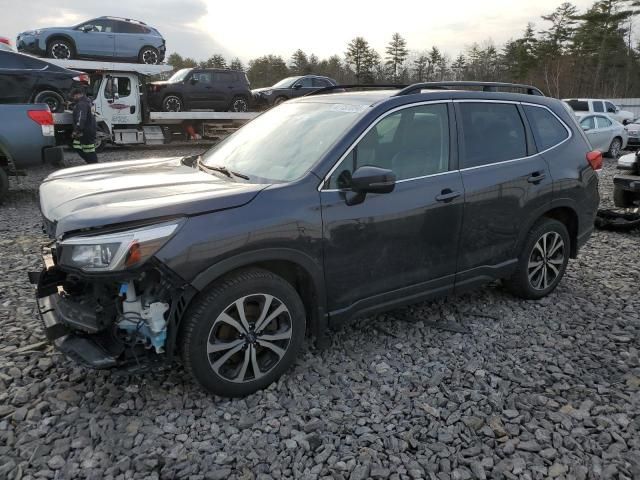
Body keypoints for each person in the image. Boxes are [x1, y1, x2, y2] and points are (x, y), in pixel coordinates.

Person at [70, 87, 98, 164]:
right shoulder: (86, 102)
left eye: (74, 96)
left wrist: (77, 130)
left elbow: (81, 118)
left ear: (78, 94)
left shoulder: (82, 104)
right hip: (88, 129)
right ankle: (90, 162)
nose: (73, 98)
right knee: (77, 145)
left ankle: (93, 164)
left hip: (85, 130)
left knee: (89, 149)